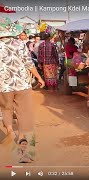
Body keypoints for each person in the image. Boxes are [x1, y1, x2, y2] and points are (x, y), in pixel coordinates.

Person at [0, 17, 45, 146]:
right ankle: (21, 136)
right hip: (22, 83)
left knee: (6, 109)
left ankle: (9, 130)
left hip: (4, 85)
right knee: (23, 110)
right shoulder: (20, 44)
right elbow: (29, 64)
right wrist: (39, 77)